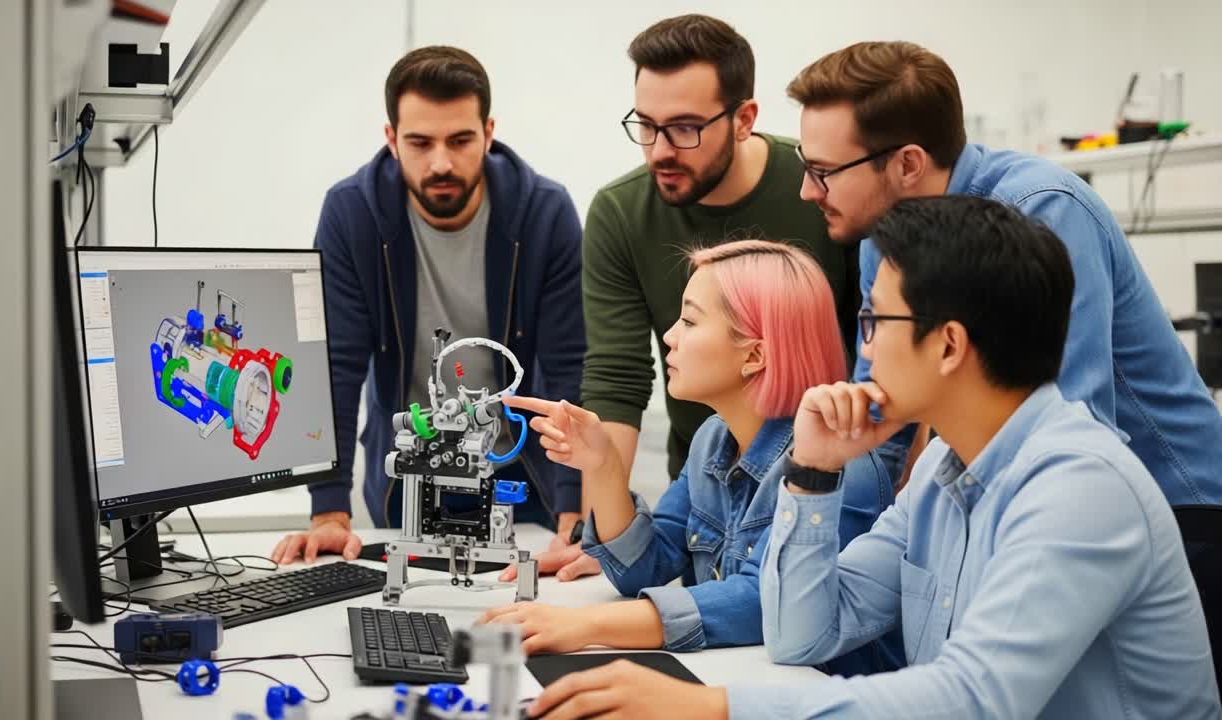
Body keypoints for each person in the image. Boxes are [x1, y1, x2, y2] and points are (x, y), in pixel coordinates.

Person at [524, 197, 1221, 720]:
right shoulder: (944, 474)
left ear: (947, 345)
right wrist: (813, 474)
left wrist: (710, 705)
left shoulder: (1078, 486)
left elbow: (976, 698)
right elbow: (802, 637)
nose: (862, 348)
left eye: (873, 322)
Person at [787, 40, 1222, 505]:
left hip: (1176, 509)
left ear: (908, 164)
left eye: (822, 171)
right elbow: (877, 424)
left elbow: (1073, 431)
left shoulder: (1042, 211)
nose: (806, 191)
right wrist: (817, 497)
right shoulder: (884, 238)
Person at [529, 12, 873, 585]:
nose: (660, 149)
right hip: (708, 480)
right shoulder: (621, 211)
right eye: (646, 125)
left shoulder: (822, 187)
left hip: (822, 464)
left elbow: (877, 350)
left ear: (744, 119)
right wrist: (602, 517)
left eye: (686, 128)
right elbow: (616, 378)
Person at [270, 46, 585, 565]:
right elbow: (337, 367)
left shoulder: (544, 213)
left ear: (488, 131)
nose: (441, 162)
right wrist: (329, 512)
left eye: (461, 140)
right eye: (420, 142)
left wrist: (574, 505)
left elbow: (569, 364)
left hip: (519, 475)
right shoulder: (353, 214)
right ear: (392, 139)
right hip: (408, 477)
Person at [480, 240, 851, 656]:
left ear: (755, 355)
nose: (670, 337)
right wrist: (603, 466)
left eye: (690, 322)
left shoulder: (833, 465)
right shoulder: (713, 439)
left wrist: (588, 625)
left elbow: (760, 601)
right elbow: (646, 566)